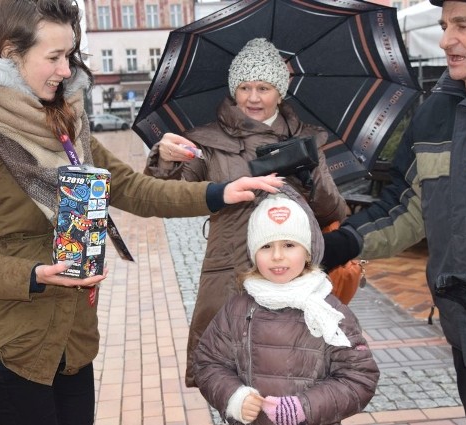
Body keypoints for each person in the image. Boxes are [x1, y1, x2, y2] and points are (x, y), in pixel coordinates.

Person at [0, 2, 283, 425]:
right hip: (14, 340)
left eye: (69, 55)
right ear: (8, 55)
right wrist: (32, 274)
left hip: (74, 336)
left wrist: (221, 192)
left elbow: (130, 187)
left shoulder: (67, 124)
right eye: (52, 57)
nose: (64, 69)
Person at [322, 0, 466, 425]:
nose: (446, 39)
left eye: (462, 25)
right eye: (444, 24)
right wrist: (337, 243)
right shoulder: (434, 111)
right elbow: (405, 205)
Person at [144, 37, 349, 387]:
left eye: (264, 87)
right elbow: (166, 195)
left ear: (280, 92)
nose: (253, 98)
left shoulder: (308, 140)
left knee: (301, 374)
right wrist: (163, 159)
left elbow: (333, 210)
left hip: (294, 276)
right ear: (233, 89)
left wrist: (310, 174)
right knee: (237, 380)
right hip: (232, 274)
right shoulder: (206, 141)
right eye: (244, 87)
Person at [193, 191, 379, 425]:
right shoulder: (236, 309)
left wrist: (305, 407)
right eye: (267, 246)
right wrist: (234, 396)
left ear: (307, 252)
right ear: (253, 254)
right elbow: (207, 363)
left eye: (289, 245)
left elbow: (360, 378)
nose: (277, 256)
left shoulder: (329, 311)